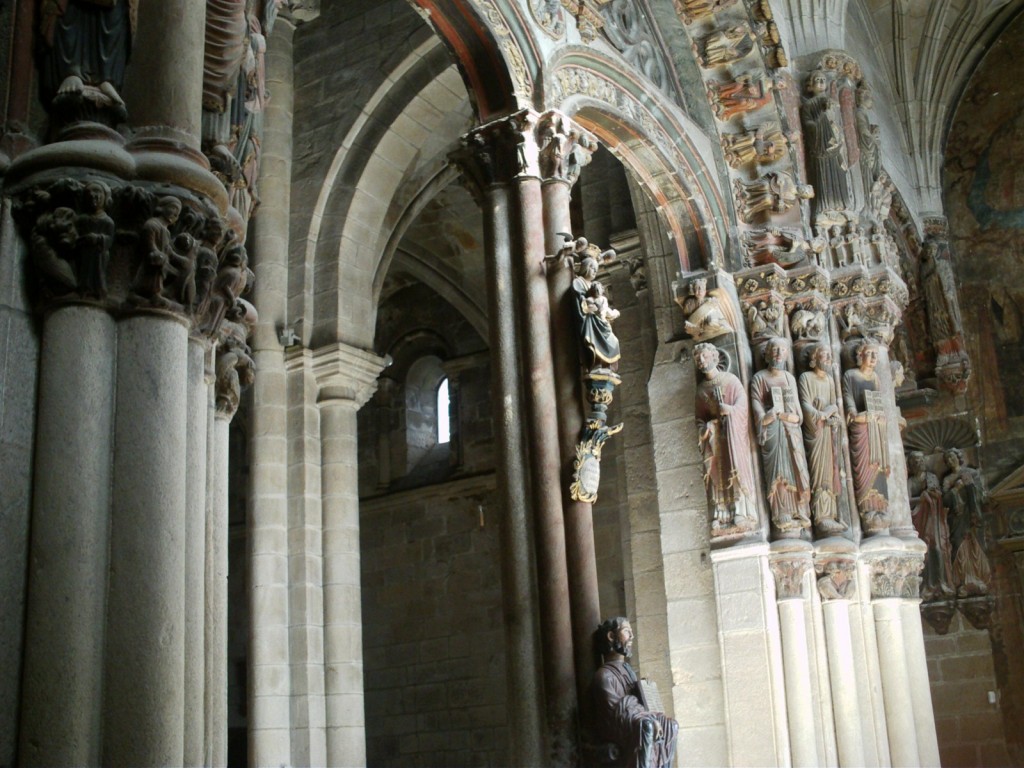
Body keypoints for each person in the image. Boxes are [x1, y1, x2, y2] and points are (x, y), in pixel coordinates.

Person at [592, 618, 678, 768]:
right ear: (611, 636)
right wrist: (648, 717)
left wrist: (644, 690)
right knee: (647, 726)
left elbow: (636, 702)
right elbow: (616, 711)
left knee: (671, 725)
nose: (632, 636)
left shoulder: (629, 672)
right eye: (627, 631)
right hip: (619, 728)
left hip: (635, 718)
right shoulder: (604, 676)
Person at [693, 342, 758, 532]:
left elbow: (743, 406)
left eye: (704, 356)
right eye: (698, 359)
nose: (701, 361)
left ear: (715, 357)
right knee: (716, 473)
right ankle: (721, 513)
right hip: (715, 440)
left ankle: (740, 510)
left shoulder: (730, 380)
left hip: (732, 437)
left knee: (735, 468)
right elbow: (699, 419)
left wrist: (730, 410)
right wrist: (706, 428)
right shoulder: (701, 390)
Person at [749, 338, 811, 535]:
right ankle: (782, 511)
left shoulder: (789, 378)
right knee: (778, 469)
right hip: (773, 430)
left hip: (791, 430)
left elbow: (799, 415)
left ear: (786, 355)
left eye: (782, 350)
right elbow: (757, 407)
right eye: (774, 349)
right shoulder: (760, 378)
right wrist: (767, 416)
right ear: (767, 354)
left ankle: (799, 510)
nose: (777, 353)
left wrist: (789, 416)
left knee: (797, 468)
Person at [798, 344, 848, 536]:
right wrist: (821, 415)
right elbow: (804, 404)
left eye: (829, 356)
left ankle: (833, 514)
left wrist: (830, 414)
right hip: (816, 431)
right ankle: (821, 515)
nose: (828, 359)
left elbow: (835, 403)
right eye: (824, 355)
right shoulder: (806, 378)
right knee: (819, 472)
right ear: (814, 358)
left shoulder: (829, 380)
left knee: (832, 470)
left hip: (828, 430)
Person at [842, 342, 890, 532]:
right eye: (869, 353)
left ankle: (880, 506)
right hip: (861, 427)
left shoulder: (876, 378)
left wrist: (880, 415)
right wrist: (856, 414)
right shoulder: (850, 375)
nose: (873, 358)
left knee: (877, 465)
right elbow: (848, 400)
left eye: (875, 355)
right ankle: (867, 508)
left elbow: (878, 402)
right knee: (864, 467)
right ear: (860, 355)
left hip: (876, 429)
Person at [941, 448, 991, 597]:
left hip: (972, 515)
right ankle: (963, 580)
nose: (950, 461)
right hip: (956, 518)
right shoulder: (947, 480)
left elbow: (981, 495)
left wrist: (969, 485)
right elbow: (944, 501)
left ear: (958, 457)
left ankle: (979, 578)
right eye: (947, 459)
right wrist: (956, 489)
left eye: (952, 457)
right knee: (958, 544)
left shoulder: (972, 473)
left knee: (976, 544)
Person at [907, 451, 954, 601]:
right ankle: (926, 585)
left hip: (934, 519)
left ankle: (942, 582)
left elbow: (939, 495)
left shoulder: (931, 478)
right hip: (919, 520)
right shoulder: (910, 482)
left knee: (938, 549)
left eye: (920, 460)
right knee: (923, 551)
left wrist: (932, 495)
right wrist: (921, 498)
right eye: (914, 461)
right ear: (911, 465)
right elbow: (906, 501)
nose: (918, 463)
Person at [573, 257, 620, 371]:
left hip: (600, 321)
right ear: (586, 268)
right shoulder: (578, 282)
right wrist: (590, 306)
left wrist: (609, 312)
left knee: (614, 341)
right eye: (592, 268)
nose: (595, 271)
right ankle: (596, 363)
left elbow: (604, 308)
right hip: (590, 322)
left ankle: (607, 365)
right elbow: (580, 302)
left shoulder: (593, 285)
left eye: (596, 269)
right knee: (594, 344)